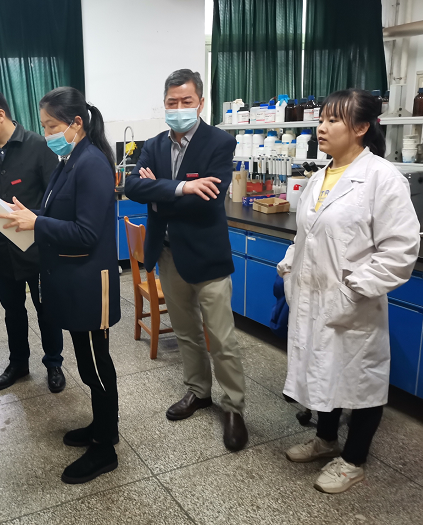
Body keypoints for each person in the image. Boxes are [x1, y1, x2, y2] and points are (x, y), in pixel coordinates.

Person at [277, 89, 420, 494]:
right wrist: (290, 262)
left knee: (360, 379)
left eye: (333, 120)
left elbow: (400, 250)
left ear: (361, 128)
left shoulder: (382, 178)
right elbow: (307, 235)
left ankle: (354, 460)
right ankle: (325, 440)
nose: (321, 127)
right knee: (324, 370)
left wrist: (352, 289)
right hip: (313, 294)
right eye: (321, 119)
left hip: (353, 301)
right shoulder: (319, 176)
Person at [0, 87, 121, 484]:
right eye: (44, 126)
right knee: (86, 362)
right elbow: (60, 214)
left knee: (96, 364)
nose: (47, 133)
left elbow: (86, 233)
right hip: (72, 280)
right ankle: (100, 426)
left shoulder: (92, 163)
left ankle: (106, 446)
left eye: (51, 126)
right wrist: (30, 214)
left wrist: (37, 223)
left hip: (91, 284)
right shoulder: (70, 161)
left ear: (76, 123)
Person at [124, 69, 248, 451]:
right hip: (167, 254)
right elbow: (132, 187)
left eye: (186, 101)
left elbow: (207, 200)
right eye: (171, 102)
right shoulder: (154, 145)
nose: (178, 108)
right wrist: (181, 187)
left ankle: (234, 407)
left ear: (200, 103)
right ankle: (199, 391)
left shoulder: (220, 142)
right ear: (164, 104)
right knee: (185, 332)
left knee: (221, 337)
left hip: (208, 256)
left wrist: (158, 193)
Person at [0, 86, 65, 393]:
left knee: (46, 309)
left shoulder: (39, 146)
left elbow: (55, 200)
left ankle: (54, 363)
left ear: (0, 114)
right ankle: (18, 362)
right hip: (1, 250)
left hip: (37, 248)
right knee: (12, 310)